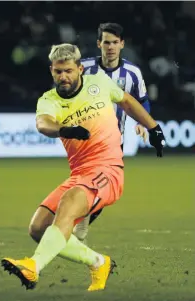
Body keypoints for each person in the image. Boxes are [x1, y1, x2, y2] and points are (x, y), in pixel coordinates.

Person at [1, 44, 165, 291]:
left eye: (68, 71)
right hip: (80, 174)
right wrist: (64, 130)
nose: (63, 77)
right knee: (38, 228)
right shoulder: (49, 100)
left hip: (108, 171)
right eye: (58, 72)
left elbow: (128, 102)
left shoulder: (98, 83)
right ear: (51, 71)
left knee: (70, 200)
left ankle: (33, 266)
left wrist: (154, 128)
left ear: (79, 69)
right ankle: (99, 263)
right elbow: (43, 124)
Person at [74, 23, 153, 243]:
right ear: (99, 44)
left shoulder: (132, 73)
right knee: (97, 185)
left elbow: (143, 102)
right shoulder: (84, 68)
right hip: (86, 141)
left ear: (122, 44)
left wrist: (142, 122)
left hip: (115, 141)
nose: (110, 47)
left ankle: (78, 222)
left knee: (105, 191)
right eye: (106, 42)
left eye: (115, 42)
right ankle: (75, 225)